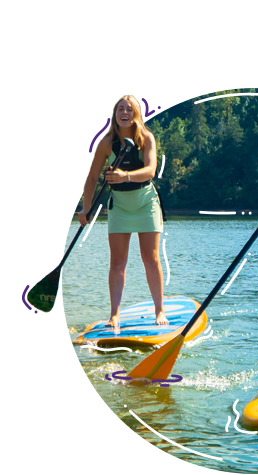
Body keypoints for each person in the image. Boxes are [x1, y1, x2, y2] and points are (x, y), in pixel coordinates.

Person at [79, 94, 168, 328]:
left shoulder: (146, 138)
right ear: (115, 115)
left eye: (129, 109)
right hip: (119, 207)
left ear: (136, 114)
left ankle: (159, 311)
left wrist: (124, 176)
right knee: (117, 263)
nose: (124, 113)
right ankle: (114, 315)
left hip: (145, 204)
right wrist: (86, 208)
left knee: (151, 259)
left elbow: (150, 170)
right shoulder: (107, 143)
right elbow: (92, 178)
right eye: (120, 109)